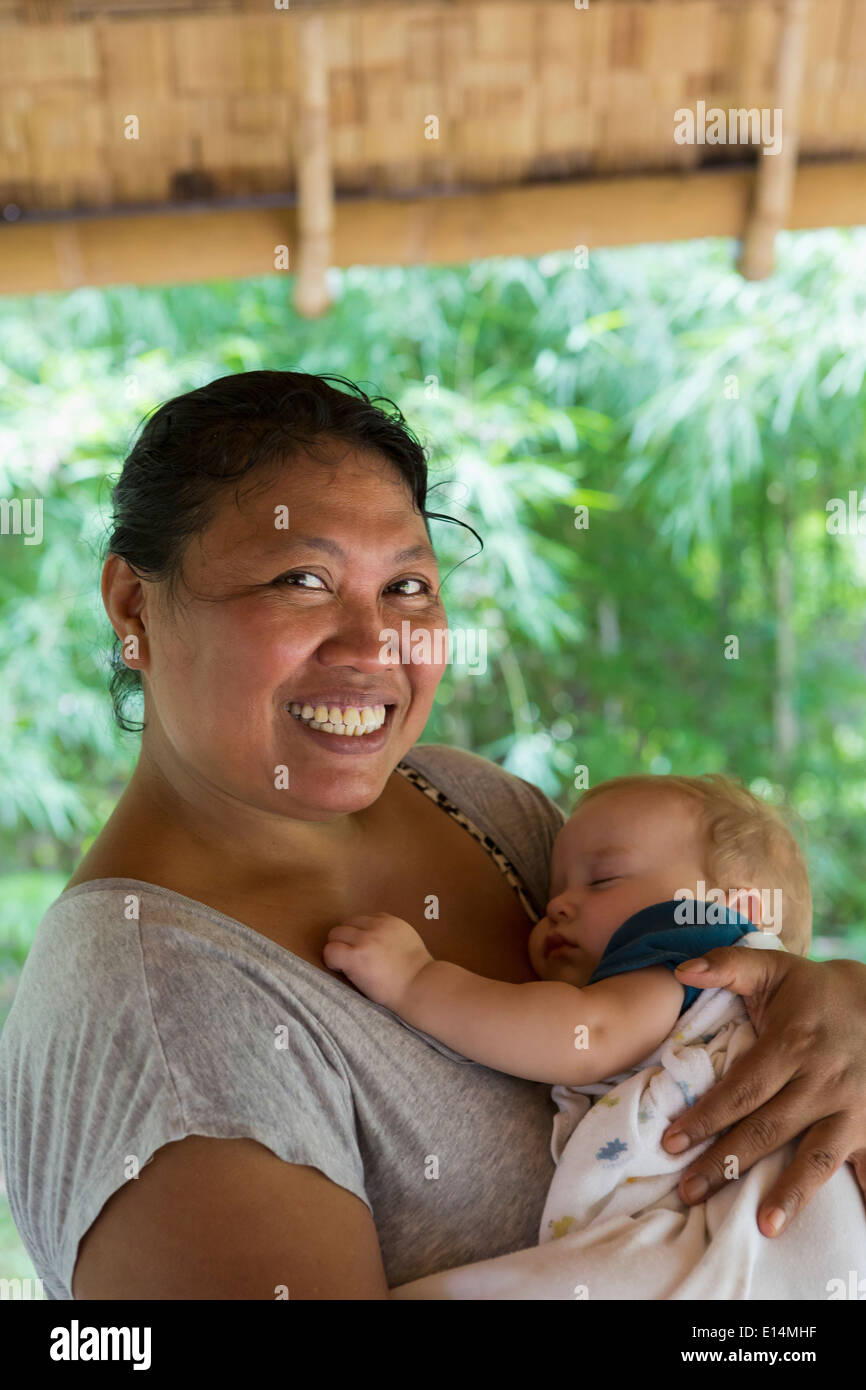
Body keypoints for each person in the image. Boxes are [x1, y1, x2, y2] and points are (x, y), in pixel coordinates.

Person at [1, 370, 865, 1302]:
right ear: (134, 607)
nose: (375, 645)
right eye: (303, 580)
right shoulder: (157, 1020)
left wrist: (830, 1002)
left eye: (408, 586)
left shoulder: (471, 800)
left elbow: (720, 1001)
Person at [325, 773, 866, 1298]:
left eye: (603, 880)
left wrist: (418, 981)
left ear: (734, 910)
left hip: (772, 1235)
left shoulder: (694, 954)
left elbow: (588, 1031)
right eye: (554, 891)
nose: (557, 904)